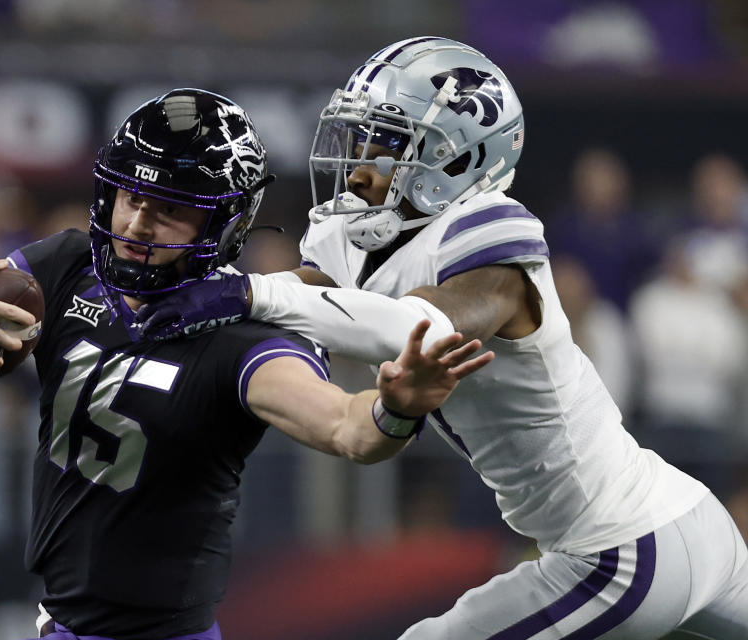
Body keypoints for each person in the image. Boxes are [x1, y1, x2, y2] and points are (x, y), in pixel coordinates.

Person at [134, 40, 748, 639]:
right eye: (361, 135)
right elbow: (313, 299)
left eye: (388, 141)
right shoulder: (362, 234)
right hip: (676, 520)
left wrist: (249, 292)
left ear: (459, 158)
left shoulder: (491, 235)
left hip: (620, 546)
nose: (362, 160)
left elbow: (414, 327)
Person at [0, 88, 491, 640]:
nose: (137, 223)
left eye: (170, 210)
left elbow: (345, 428)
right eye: (130, 197)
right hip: (61, 623)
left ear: (222, 225)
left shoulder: (242, 334)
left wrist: (397, 407)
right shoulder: (64, 267)